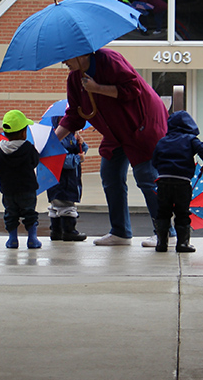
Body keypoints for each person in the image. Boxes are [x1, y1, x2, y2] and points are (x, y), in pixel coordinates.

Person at [54, 48, 168, 246]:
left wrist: (97, 88)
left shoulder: (109, 60)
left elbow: (133, 89)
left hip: (141, 126)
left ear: (82, 53)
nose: (64, 61)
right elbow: (74, 115)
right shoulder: (74, 79)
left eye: (67, 56)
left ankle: (166, 233)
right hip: (115, 132)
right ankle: (120, 232)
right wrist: (51, 143)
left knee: (147, 178)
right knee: (110, 175)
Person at [151, 110, 203, 253]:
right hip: (182, 183)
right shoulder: (190, 139)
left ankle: (161, 244)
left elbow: (155, 160)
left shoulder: (162, 141)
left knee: (163, 212)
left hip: (163, 182)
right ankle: (183, 244)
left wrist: (164, 169)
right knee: (182, 212)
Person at [0, 109, 42, 249]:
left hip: (8, 190)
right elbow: (35, 162)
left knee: (10, 213)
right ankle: (32, 239)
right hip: (27, 189)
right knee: (29, 213)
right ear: (23, 132)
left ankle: (12, 240)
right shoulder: (28, 148)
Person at [47, 124, 88, 242]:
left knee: (57, 206)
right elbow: (61, 160)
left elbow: (81, 150)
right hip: (63, 180)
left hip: (67, 180)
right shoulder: (57, 138)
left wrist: (81, 144)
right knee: (66, 205)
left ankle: (57, 231)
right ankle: (69, 231)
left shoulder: (71, 137)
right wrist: (78, 159)